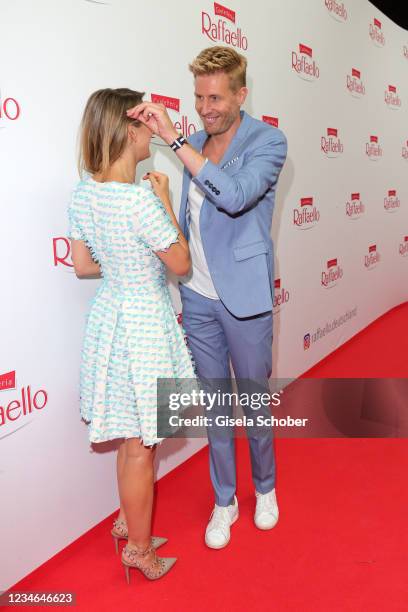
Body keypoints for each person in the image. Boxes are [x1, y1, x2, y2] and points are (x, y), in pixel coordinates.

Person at [127, 46, 288, 549]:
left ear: (241, 94)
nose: (205, 108)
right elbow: (192, 221)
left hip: (244, 296)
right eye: (199, 97)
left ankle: (265, 487)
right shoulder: (193, 141)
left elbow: (236, 196)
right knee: (217, 406)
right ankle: (226, 499)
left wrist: (174, 139)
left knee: (254, 401)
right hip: (197, 299)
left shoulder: (269, 141)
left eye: (215, 97)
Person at [68, 88, 195, 581]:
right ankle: (140, 551)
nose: (150, 134)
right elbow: (180, 264)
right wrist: (163, 199)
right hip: (144, 327)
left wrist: (122, 264)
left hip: (110, 321)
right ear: (126, 131)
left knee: (130, 438)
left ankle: (127, 522)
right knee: (144, 445)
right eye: (143, 124)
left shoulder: (84, 192)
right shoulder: (141, 202)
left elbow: (82, 265)